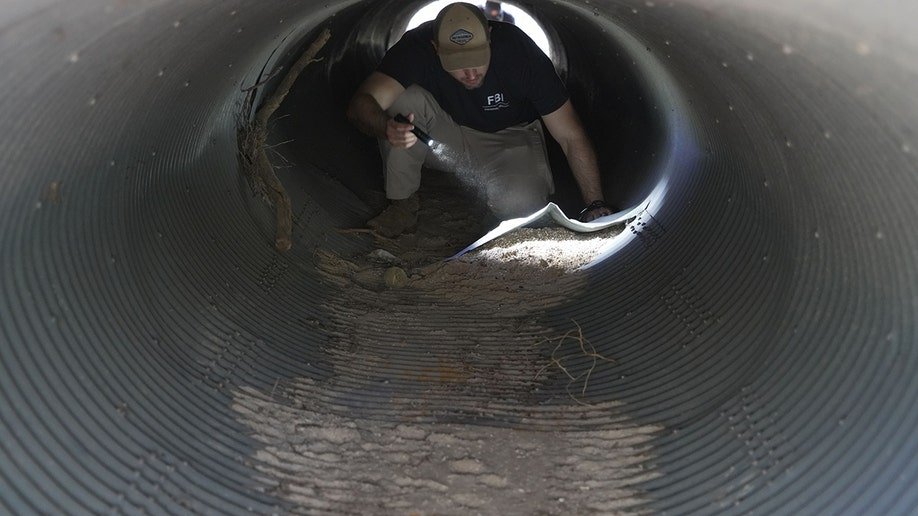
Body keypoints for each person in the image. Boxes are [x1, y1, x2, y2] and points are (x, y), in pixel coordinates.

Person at [347, 2, 613, 237]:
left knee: (520, 205)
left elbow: (570, 136)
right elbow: (361, 103)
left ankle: (497, 208)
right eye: (458, 63)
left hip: (511, 136)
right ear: (436, 48)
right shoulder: (416, 48)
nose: (471, 73)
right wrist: (386, 127)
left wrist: (595, 204)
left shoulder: (519, 53)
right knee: (401, 101)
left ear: (489, 37)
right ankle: (402, 205)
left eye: (477, 59)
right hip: (449, 131)